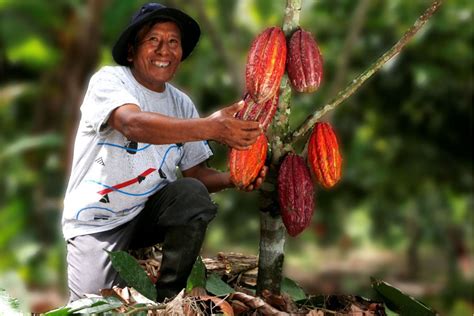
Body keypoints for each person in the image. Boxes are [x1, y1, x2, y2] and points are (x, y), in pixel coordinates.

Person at [62, 2, 267, 302]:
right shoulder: (109, 81)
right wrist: (211, 128)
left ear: (181, 54)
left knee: (192, 193)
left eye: (173, 42)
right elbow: (132, 124)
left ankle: (169, 297)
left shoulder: (181, 103)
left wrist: (235, 178)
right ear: (132, 51)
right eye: (153, 40)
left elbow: (196, 175)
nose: (164, 50)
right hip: (97, 220)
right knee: (92, 307)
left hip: (148, 214)